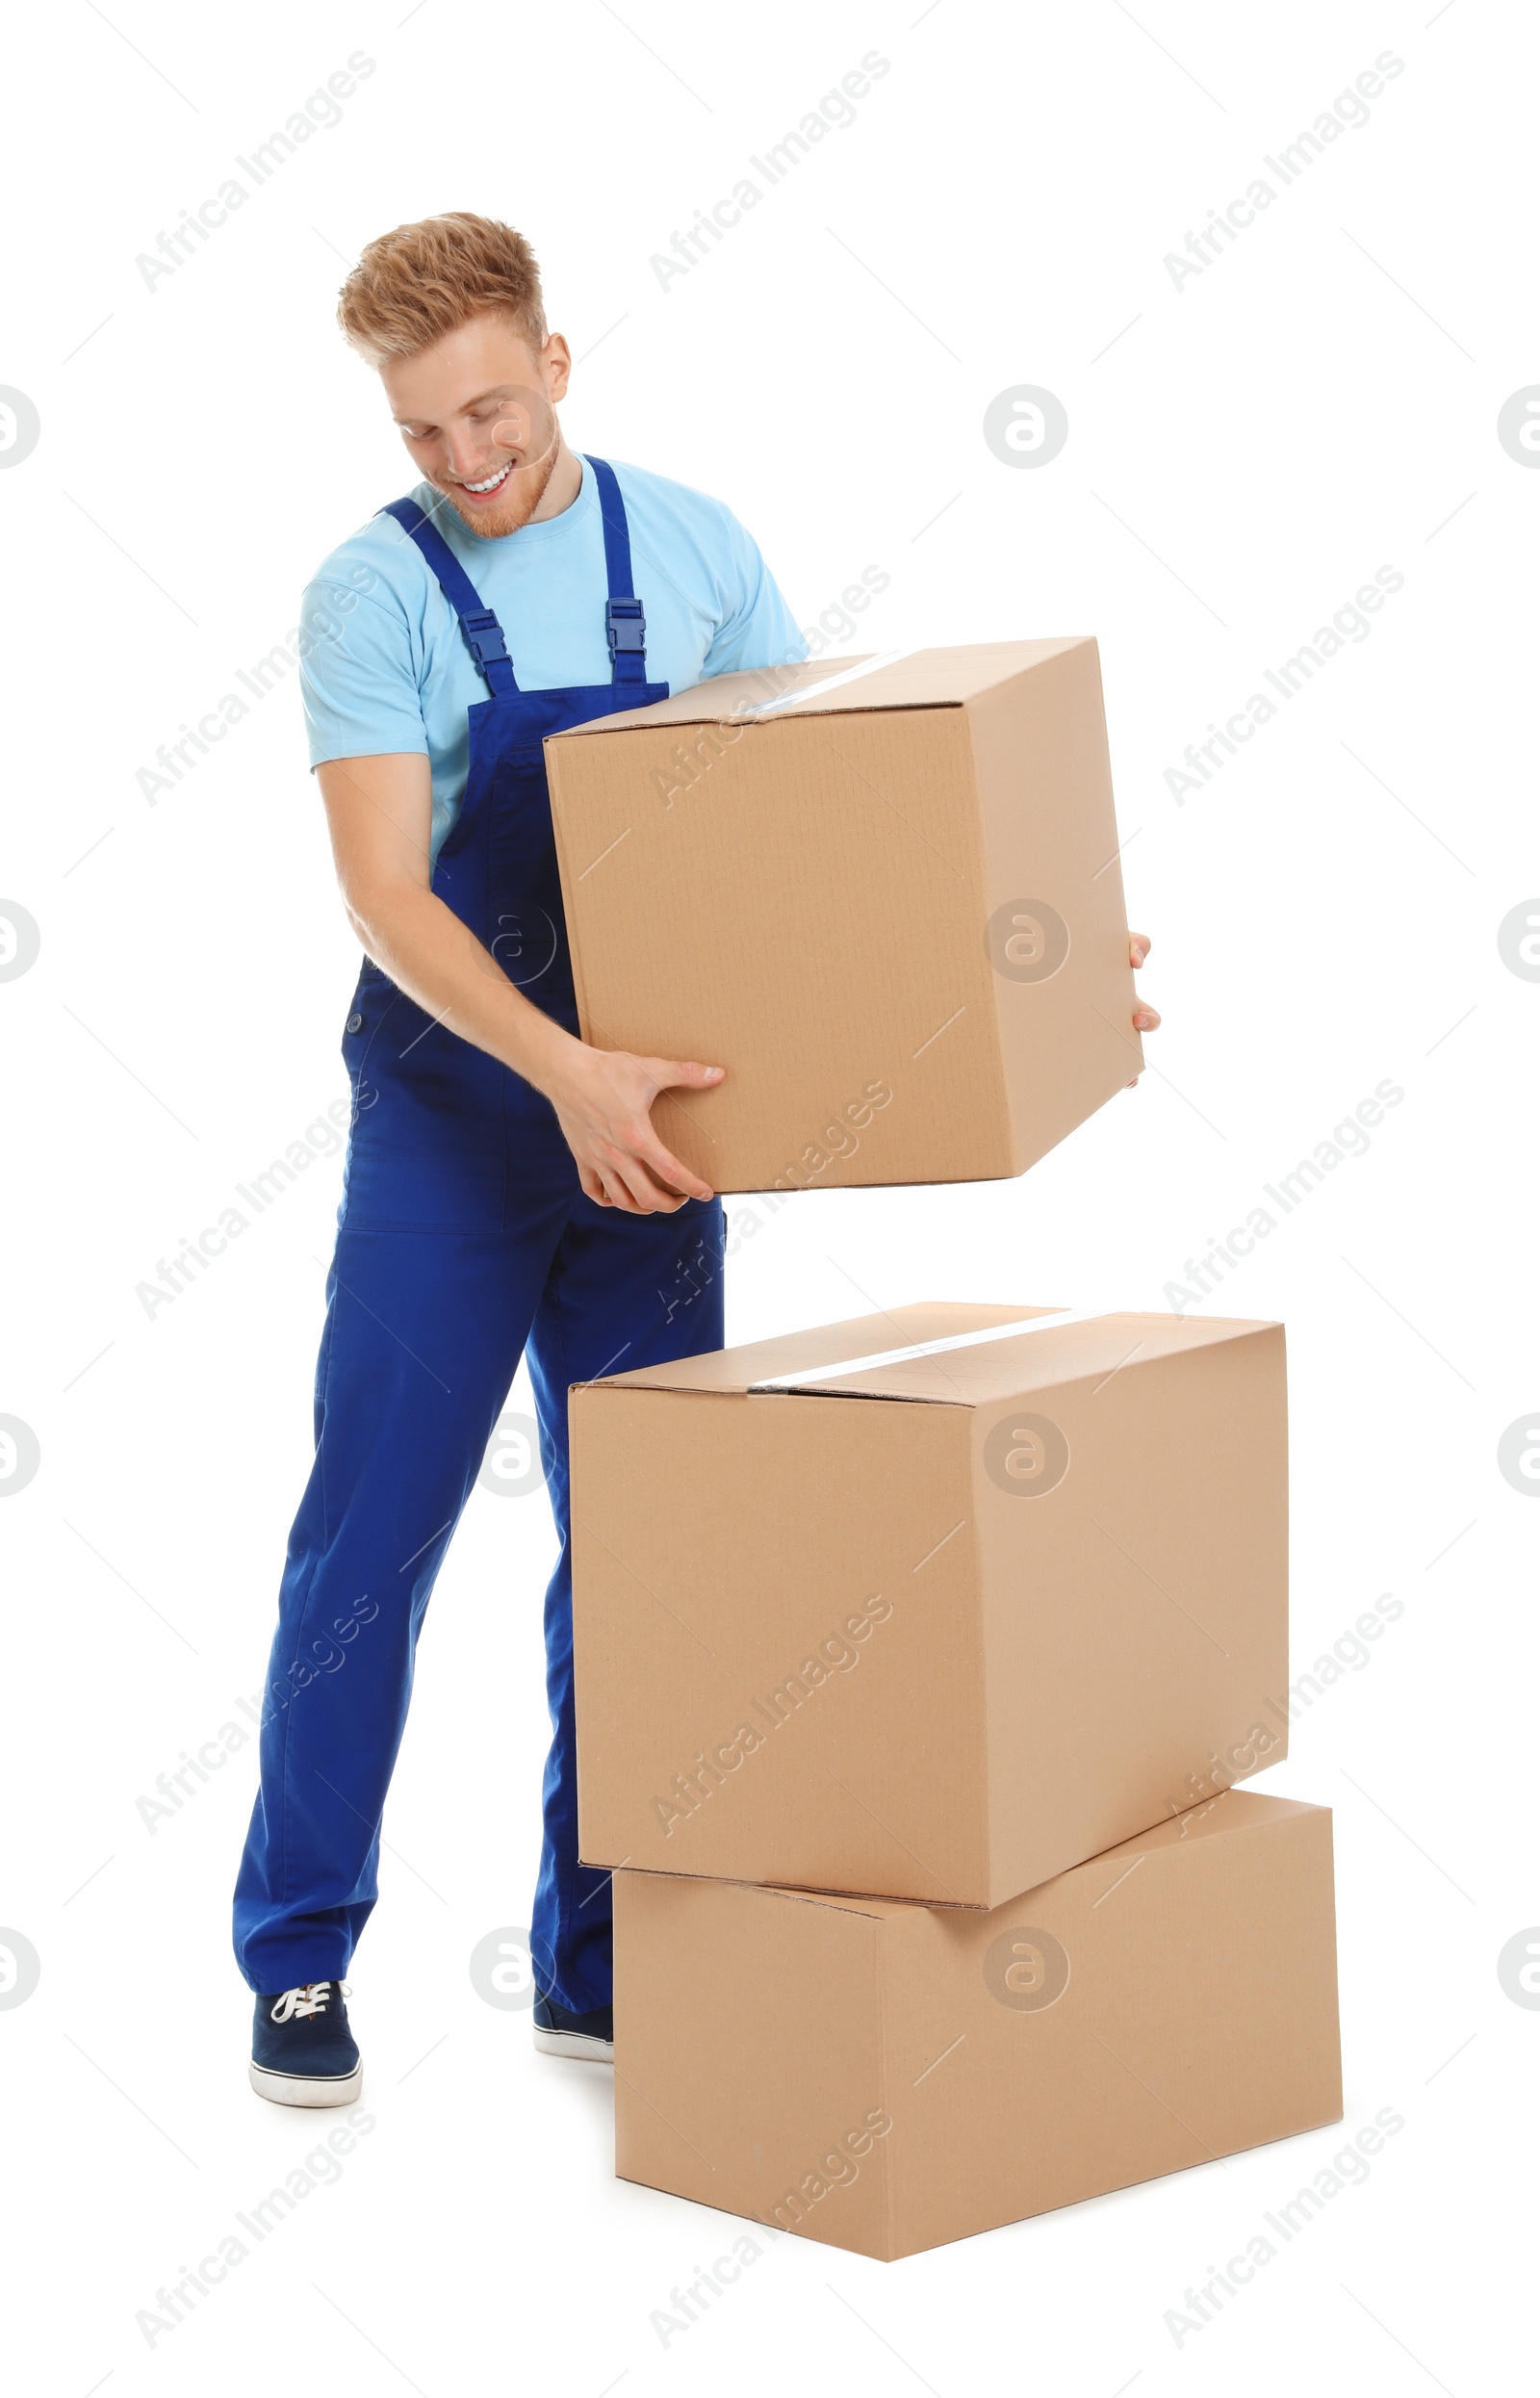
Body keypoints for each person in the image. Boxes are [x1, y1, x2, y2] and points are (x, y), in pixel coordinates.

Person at [233, 211, 1161, 2106]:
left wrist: (1038, 970)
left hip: (653, 1145)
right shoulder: (371, 597)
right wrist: (559, 1069)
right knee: (366, 1550)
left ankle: (591, 1957)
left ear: (556, 362)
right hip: (452, 1134)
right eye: (422, 434)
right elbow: (388, 897)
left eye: (490, 408)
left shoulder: (697, 553)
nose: (465, 458)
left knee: (646, 1560)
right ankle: (302, 1953)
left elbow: (818, 843)